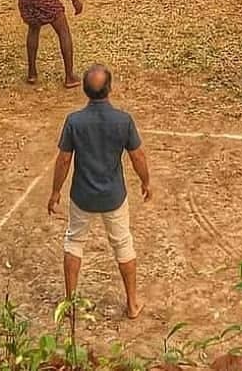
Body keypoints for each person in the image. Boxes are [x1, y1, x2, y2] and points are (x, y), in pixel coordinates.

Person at [48, 64, 151, 320]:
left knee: (74, 242)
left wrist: (55, 191)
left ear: (84, 90)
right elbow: (137, 156)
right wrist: (146, 181)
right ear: (110, 88)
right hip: (113, 197)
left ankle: (70, 303)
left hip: (82, 195)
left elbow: (63, 160)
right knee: (123, 243)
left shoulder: (74, 121)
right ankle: (132, 303)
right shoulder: (123, 120)